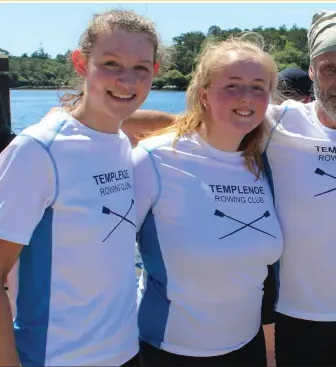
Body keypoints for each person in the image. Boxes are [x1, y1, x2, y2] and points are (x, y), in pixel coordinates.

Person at [121, 10, 336, 366]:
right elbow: (207, 122)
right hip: (296, 319)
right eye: (330, 68)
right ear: (312, 71)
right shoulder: (279, 122)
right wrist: (88, 121)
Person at [0, 9, 160, 366]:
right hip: (56, 358)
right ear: (81, 64)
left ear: (154, 73)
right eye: (111, 64)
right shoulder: (38, 151)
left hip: (126, 352)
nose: (126, 81)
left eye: (140, 68)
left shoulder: (119, 141)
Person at [133, 34, 282, 367]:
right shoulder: (154, 160)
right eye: (232, 85)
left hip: (247, 348)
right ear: (203, 93)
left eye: (258, 87)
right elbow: (105, 255)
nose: (246, 97)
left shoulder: (266, 164)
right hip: (167, 351)